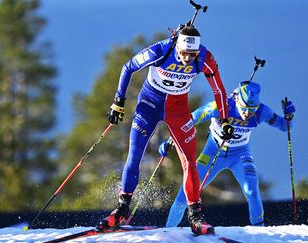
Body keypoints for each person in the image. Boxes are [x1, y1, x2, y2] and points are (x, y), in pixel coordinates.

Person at [100, 25, 234, 236]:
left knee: (189, 160)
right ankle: (122, 208)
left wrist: (225, 120)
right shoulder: (160, 50)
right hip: (149, 104)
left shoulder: (204, 57)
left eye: (192, 54)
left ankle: (195, 216)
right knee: (134, 155)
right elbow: (128, 67)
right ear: (177, 47)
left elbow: (218, 89)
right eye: (184, 54)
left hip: (178, 109)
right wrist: (118, 102)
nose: (188, 59)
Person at [159, 81, 296, 227]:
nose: (248, 114)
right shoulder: (221, 106)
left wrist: (289, 117)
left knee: (251, 190)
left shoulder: (262, 111)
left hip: (240, 155)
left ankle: (259, 232)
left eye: (252, 109)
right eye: (244, 108)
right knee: (186, 193)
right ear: (237, 100)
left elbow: (284, 126)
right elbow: (191, 119)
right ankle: (168, 231)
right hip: (213, 152)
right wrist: (171, 140)